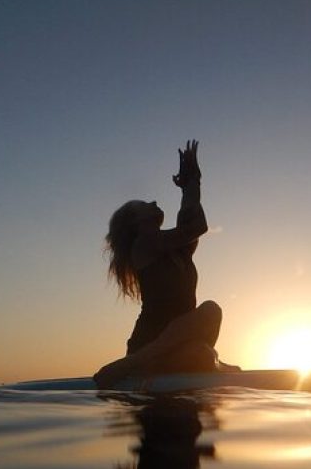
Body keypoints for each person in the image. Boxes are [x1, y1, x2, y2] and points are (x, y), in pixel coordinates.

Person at [94, 140, 236, 389]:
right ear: (135, 224)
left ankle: (214, 363)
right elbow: (197, 227)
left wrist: (192, 183)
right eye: (144, 205)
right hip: (149, 343)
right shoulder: (143, 244)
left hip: (177, 346)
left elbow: (189, 219)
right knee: (210, 309)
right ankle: (133, 363)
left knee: (202, 355)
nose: (153, 201)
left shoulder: (178, 250)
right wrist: (192, 184)